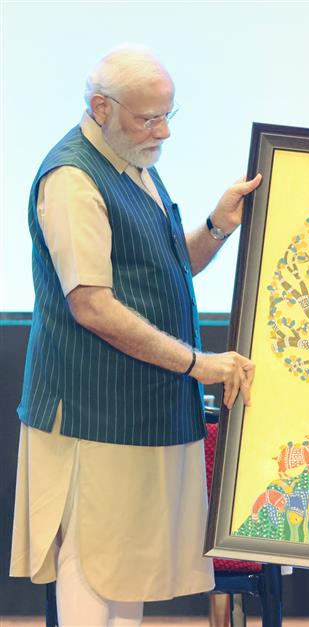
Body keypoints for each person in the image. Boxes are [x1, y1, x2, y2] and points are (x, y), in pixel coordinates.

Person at [9, 46, 261, 626]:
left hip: (142, 411)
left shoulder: (133, 159)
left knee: (127, 572)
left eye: (169, 114)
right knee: (93, 569)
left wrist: (219, 224)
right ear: (100, 107)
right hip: (93, 417)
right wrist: (200, 364)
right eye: (149, 118)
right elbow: (93, 308)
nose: (164, 131)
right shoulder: (73, 179)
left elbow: (167, 271)